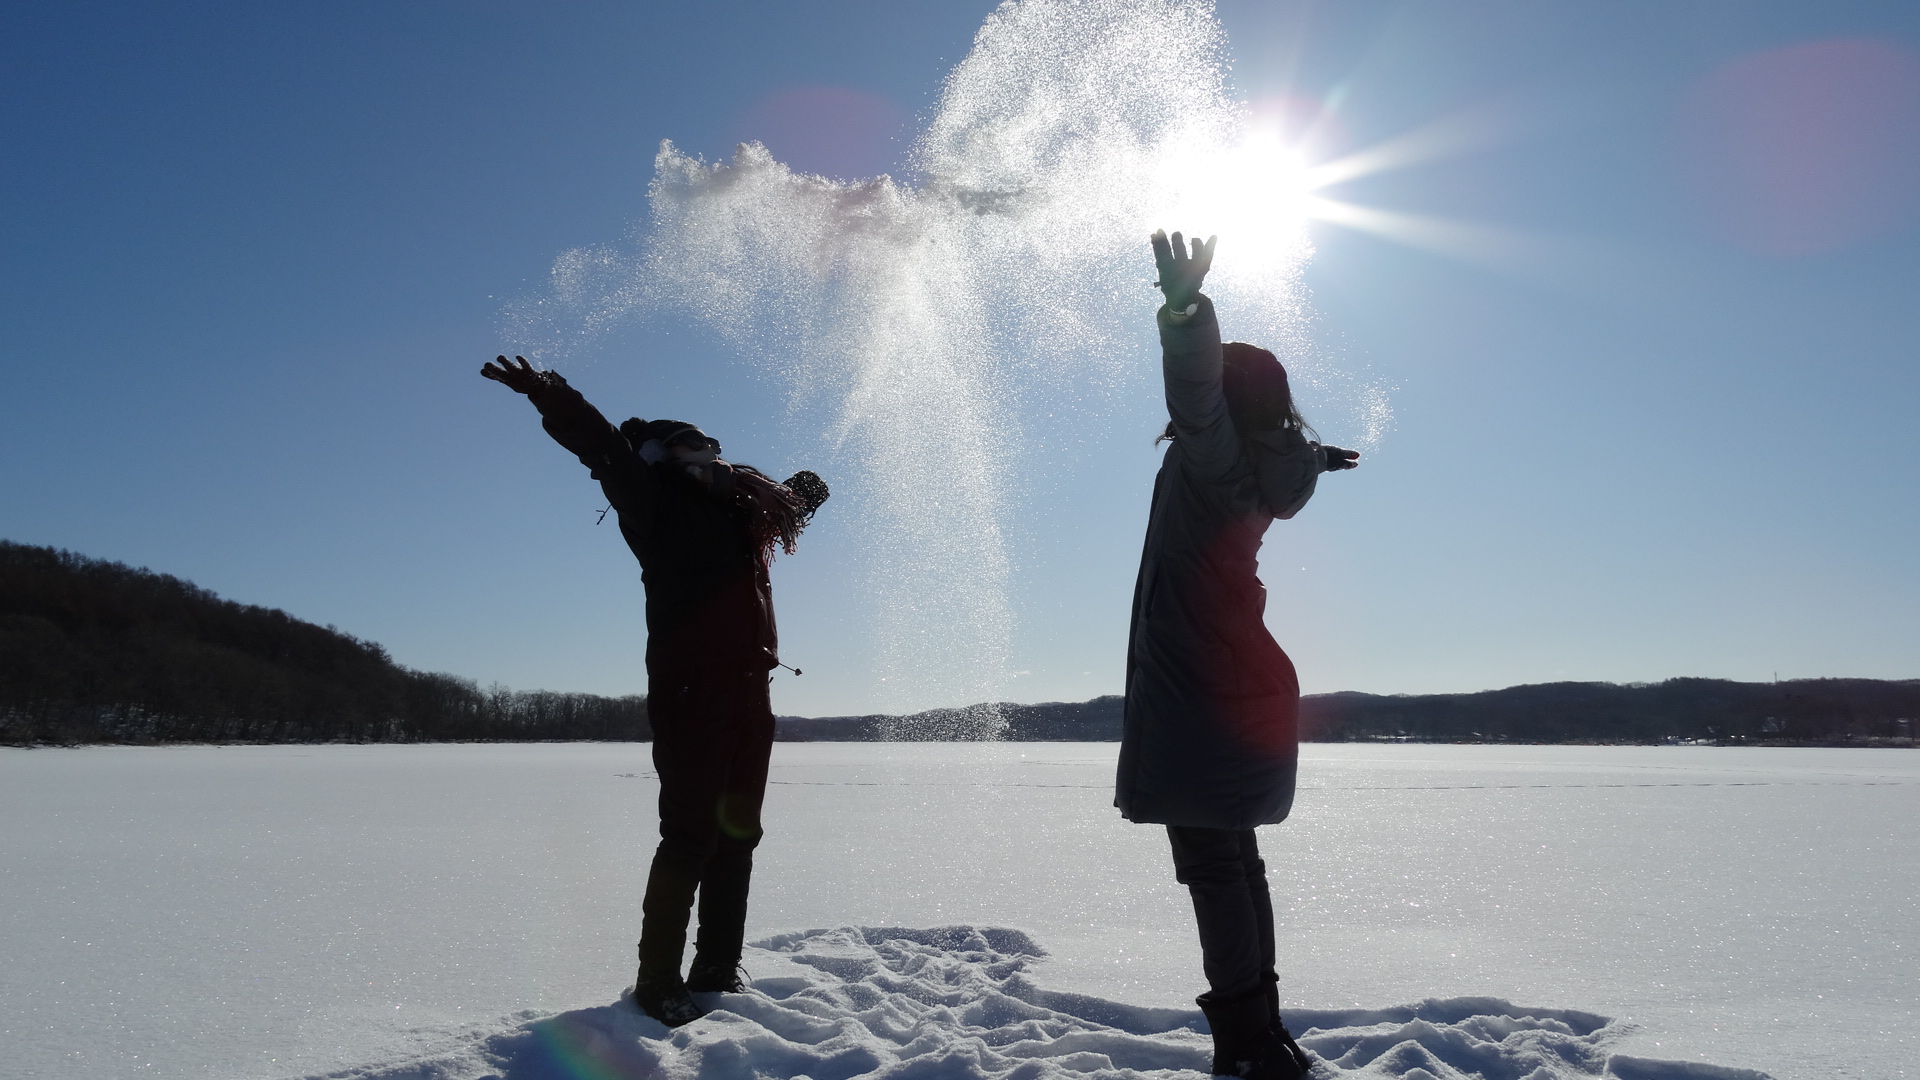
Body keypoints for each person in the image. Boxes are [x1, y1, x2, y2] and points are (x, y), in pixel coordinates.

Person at [481, 355, 829, 1027]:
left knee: (738, 835)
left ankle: (716, 970)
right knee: (690, 836)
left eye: (716, 445)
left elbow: (788, 507)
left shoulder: (743, 513)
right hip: (692, 690)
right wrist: (548, 393)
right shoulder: (654, 504)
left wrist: (805, 492)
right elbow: (603, 450)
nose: (718, 452)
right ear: (667, 454)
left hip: (751, 693)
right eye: (701, 444)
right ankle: (657, 982)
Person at [1114, 233, 1359, 1080]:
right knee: (1236, 863)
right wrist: (1319, 457)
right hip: (1237, 678)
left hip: (1200, 686)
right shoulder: (1264, 466)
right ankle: (1263, 1034)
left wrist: (1185, 314)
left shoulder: (1215, 460)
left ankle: (1248, 1048)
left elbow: (1196, 399)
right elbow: (1260, 448)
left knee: (1216, 868)